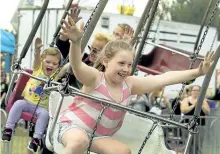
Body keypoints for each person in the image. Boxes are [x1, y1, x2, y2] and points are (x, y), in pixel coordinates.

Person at [56, 16, 214, 154]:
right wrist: (76, 43)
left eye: (129, 65)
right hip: (72, 128)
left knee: (124, 151)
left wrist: (197, 72)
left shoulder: (129, 85)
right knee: (79, 142)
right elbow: (76, 64)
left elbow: (164, 78)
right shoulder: (95, 78)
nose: (125, 69)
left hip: (98, 137)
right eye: (121, 63)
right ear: (106, 61)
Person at [1, 37, 69, 153]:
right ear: (43, 61)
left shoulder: (56, 76)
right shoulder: (38, 69)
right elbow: (37, 59)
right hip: (27, 102)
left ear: (58, 66)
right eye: (48, 62)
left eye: (54, 64)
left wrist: (74, 57)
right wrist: (37, 51)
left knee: (45, 115)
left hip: (41, 108)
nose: (51, 65)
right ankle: (8, 128)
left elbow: (66, 68)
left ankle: (36, 139)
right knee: (18, 104)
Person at [180, 85, 210, 154]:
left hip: (200, 126)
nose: (195, 92)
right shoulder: (186, 100)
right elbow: (183, 110)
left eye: (197, 90)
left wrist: (200, 104)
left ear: (200, 92)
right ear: (191, 91)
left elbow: (208, 112)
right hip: (187, 126)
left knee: (198, 145)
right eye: (194, 90)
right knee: (187, 144)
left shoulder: (203, 100)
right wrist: (194, 105)